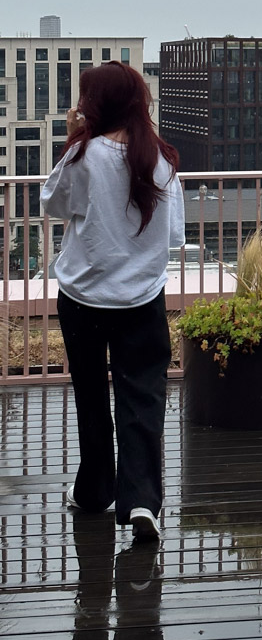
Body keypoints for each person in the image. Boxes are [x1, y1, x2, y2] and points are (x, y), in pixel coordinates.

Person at [41, 61, 185, 542]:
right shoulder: (161, 160)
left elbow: (53, 204)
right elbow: (176, 236)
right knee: (143, 397)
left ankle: (94, 491)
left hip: (83, 296)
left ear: (97, 103)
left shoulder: (85, 155)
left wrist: (73, 138)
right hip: (142, 299)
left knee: (90, 395)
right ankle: (143, 502)